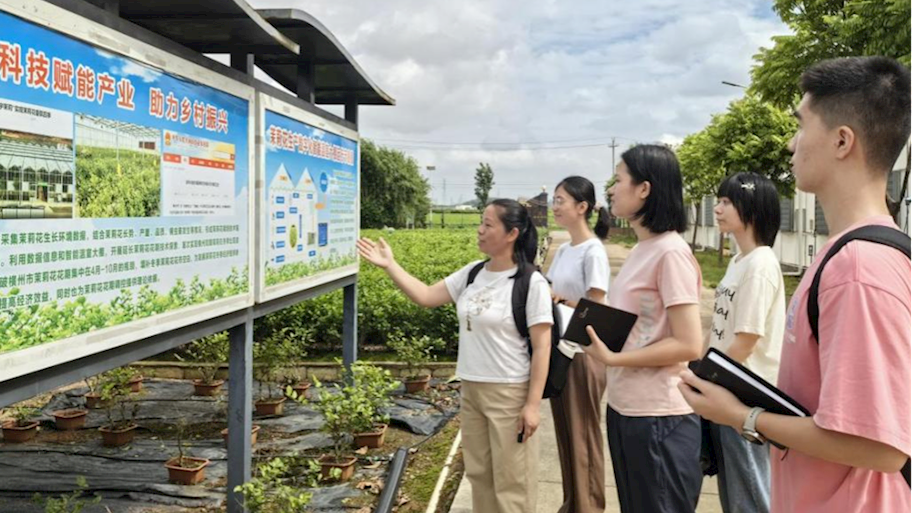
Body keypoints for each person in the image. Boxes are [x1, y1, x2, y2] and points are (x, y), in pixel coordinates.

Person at [679, 56, 911, 513]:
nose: (790, 144)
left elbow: (881, 447)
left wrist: (742, 416)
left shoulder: (859, 267)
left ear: (843, 140)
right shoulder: (846, 251)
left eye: (802, 126)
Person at [357, 199, 552, 513]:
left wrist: (532, 405)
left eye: (488, 224)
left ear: (511, 233)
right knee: (481, 476)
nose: (480, 229)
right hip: (472, 389)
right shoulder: (473, 273)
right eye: (481, 221)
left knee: (513, 482)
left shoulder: (531, 283)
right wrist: (390, 265)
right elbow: (425, 295)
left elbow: (543, 346)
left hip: (510, 393)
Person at [582, 144, 704, 513]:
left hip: (660, 417)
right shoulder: (641, 249)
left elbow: (688, 343)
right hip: (627, 408)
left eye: (619, 180)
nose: (612, 189)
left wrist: (616, 358)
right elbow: (642, 326)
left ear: (644, 189)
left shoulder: (671, 253)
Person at [705, 172, 786, 513]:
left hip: (744, 395)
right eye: (719, 201)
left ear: (751, 210)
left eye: (727, 202)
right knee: (736, 490)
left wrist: (705, 379)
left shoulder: (760, 264)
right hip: (728, 390)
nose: (718, 209)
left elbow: (746, 340)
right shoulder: (740, 261)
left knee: (751, 493)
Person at [547, 176, 612, 513]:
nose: (554, 206)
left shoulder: (593, 251)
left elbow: (596, 307)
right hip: (562, 349)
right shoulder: (563, 249)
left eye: (561, 200)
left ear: (582, 207)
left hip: (584, 353)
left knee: (583, 434)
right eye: (554, 200)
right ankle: (572, 503)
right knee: (566, 434)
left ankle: (589, 507)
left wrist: (562, 300)